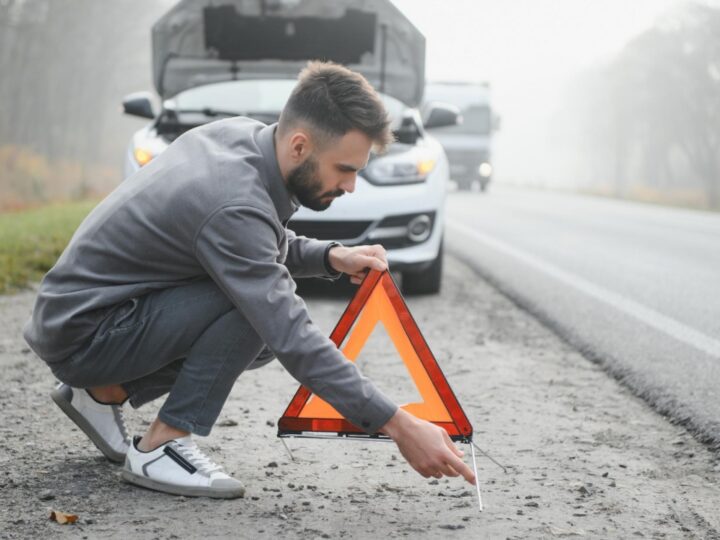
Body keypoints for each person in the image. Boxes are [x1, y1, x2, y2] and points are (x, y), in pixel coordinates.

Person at [23, 61, 475, 498]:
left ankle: (104, 392)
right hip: (87, 333)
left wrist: (331, 256)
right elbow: (289, 331)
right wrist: (398, 423)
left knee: (254, 314)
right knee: (256, 314)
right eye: (345, 169)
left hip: (86, 316)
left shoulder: (239, 137)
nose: (352, 186)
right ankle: (160, 446)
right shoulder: (233, 201)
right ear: (299, 146)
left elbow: (256, 242)